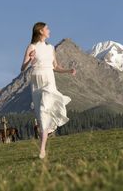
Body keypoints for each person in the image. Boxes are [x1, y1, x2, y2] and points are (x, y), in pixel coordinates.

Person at [20, 22, 76, 159]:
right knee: (41, 116)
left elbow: (55, 66)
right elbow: (22, 68)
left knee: (46, 108)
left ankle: (42, 149)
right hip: (37, 81)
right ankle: (45, 141)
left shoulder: (51, 48)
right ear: (40, 31)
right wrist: (30, 60)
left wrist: (68, 70)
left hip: (49, 79)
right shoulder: (31, 47)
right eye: (47, 29)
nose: (49, 31)